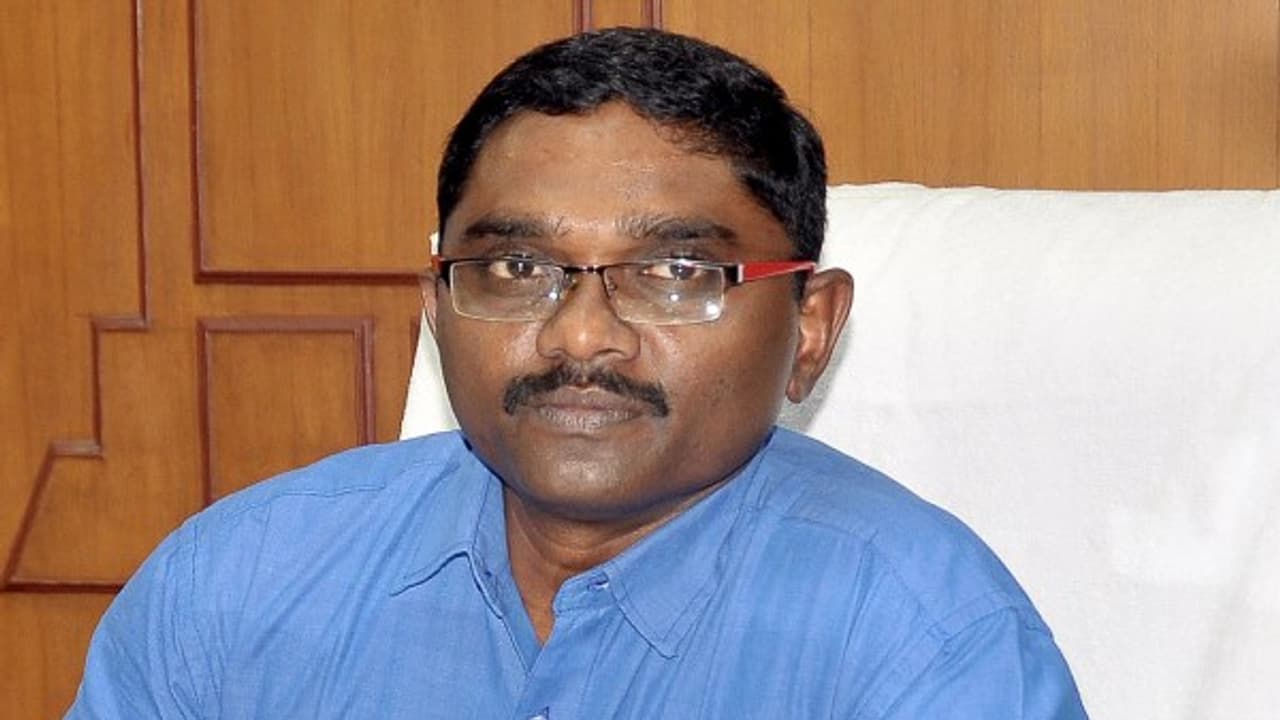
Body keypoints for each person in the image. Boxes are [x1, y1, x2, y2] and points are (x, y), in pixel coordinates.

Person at [68, 27, 1087, 718]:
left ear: (809, 328)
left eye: (675, 274)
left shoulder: (924, 639)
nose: (581, 338)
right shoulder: (239, 583)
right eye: (517, 269)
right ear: (436, 308)